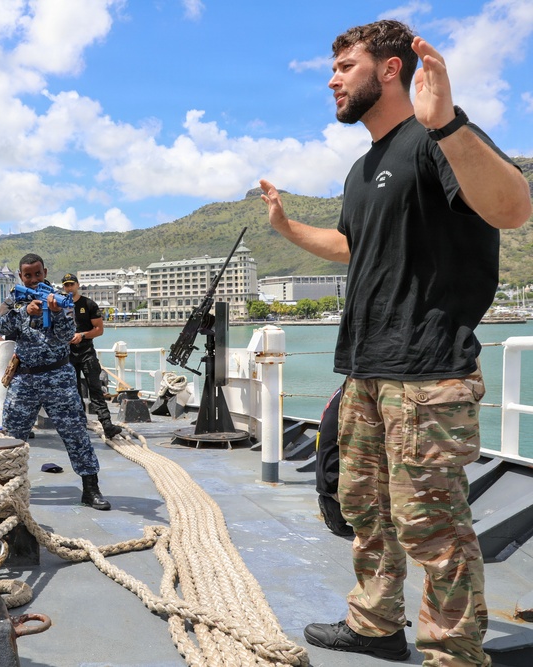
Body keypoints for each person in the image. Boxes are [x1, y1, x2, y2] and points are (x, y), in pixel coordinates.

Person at [259, 21, 530, 666]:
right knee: (363, 510)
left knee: (432, 527)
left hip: (427, 371)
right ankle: (377, 625)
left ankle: (452, 651)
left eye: (345, 65)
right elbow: (354, 247)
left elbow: (514, 207)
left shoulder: (439, 139)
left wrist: (447, 127)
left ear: (388, 70)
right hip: (365, 370)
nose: (332, 79)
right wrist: (289, 227)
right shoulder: (363, 168)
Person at [0, 254, 111, 511]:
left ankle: (90, 488)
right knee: (12, 434)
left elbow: (67, 335)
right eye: (28, 275)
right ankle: (6, 488)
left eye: (38, 274)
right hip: (24, 378)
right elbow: (2, 326)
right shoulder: (13, 299)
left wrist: (56, 312)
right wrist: (24, 311)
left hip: (57, 376)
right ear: (21, 276)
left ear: (45, 271)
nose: (34, 279)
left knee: (76, 433)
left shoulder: (62, 299)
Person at [61, 272, 122, 439]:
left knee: (95, 389)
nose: (69, 288)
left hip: (86, 353)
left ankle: (107, 425)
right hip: (68, 355)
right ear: (63, 287)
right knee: (73, 392)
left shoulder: (88, 304)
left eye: (72, 284)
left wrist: (82, 335)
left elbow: (99, 330)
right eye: (66, 285)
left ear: (77, 285)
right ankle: (79, 426)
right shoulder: (60, 306)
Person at [313, 386, 351, 537]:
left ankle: (334, 508)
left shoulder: (344, 390)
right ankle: (336, 513)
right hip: (331, 481)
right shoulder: (353, 393)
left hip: (327, 474)